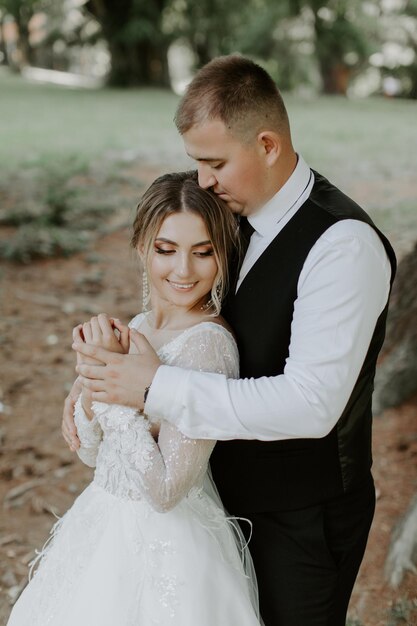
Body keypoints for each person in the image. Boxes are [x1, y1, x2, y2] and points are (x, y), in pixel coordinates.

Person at [64, 56, 397, 625]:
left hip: (300, 519)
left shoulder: (343, 247)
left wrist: (152, 387)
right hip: (212, 505)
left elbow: (311, 403)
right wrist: (106, 372)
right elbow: (183, 310)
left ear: (267, 145)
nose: (203, 181)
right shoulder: (227, 216)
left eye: (214, 162)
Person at [8, 172, 262, 626]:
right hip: (102, 525)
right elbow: (91, 453)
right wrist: (91, 381)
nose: (183, 271)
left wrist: (110, 394)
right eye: (166, 250)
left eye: (203, 253)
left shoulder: (207, 345)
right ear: (141, 247)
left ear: (223, 256)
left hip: (168, 546)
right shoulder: (139, 326)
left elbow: (165, 491)